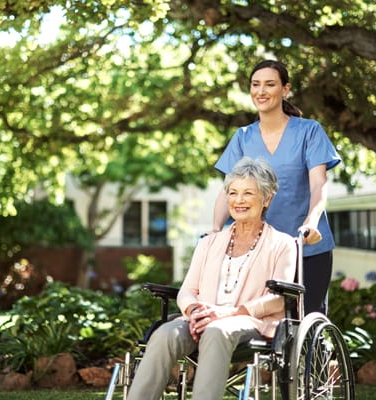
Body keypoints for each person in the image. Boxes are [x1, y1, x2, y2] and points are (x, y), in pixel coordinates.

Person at [126, 157, 297, 400]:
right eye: (233, 193)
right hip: (201, 319)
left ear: (266, 198)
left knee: (217, 330)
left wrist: (225, 313)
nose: (239, 200)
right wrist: (195, 310)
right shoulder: (208, 242)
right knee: (164, 334)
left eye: (248, 193)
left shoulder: (283, 244)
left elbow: (277, 300)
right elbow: (187, 290)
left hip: (250, 321)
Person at [213, 59, 341, 315]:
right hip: (259, 249)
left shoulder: (309, 131)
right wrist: (216, 229)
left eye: (270, 84)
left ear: (285, 89)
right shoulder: (243, 137)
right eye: (256, 84)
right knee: (264, 323)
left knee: (307, 320)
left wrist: (312, 222)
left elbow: (318, 184)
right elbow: (227, 190)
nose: (261, 91)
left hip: (306, 245)